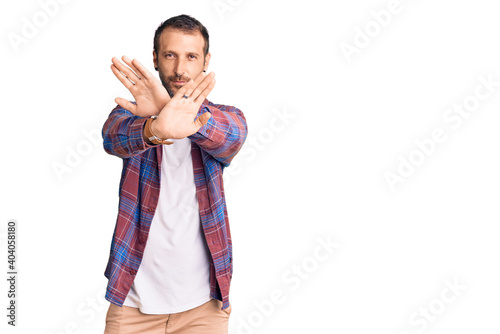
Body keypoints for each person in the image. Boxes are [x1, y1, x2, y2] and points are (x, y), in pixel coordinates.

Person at [101, 14, 247, 334]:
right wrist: (155, 127)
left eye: (191, 56)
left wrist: (189, 118)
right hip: (133, 305)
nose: (180, 69)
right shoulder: (130, 113)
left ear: (205, 61)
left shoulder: (225, 117)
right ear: (155, 59)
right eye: (170, 55)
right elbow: (112, 137)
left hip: (203, 308)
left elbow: (232, 138)